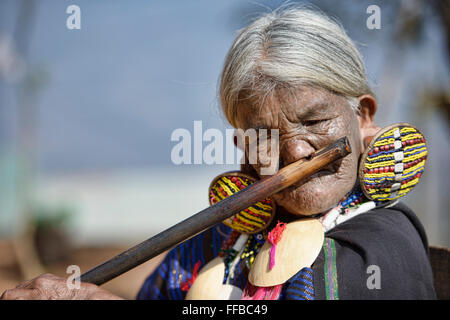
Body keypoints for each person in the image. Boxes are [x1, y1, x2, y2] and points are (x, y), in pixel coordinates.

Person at [0, 6, 436, 300]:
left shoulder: (382, 245)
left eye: (315, 121)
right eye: (263, 134)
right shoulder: (214, 244)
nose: (295, 151)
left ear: (362, 117)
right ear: (243, 148)